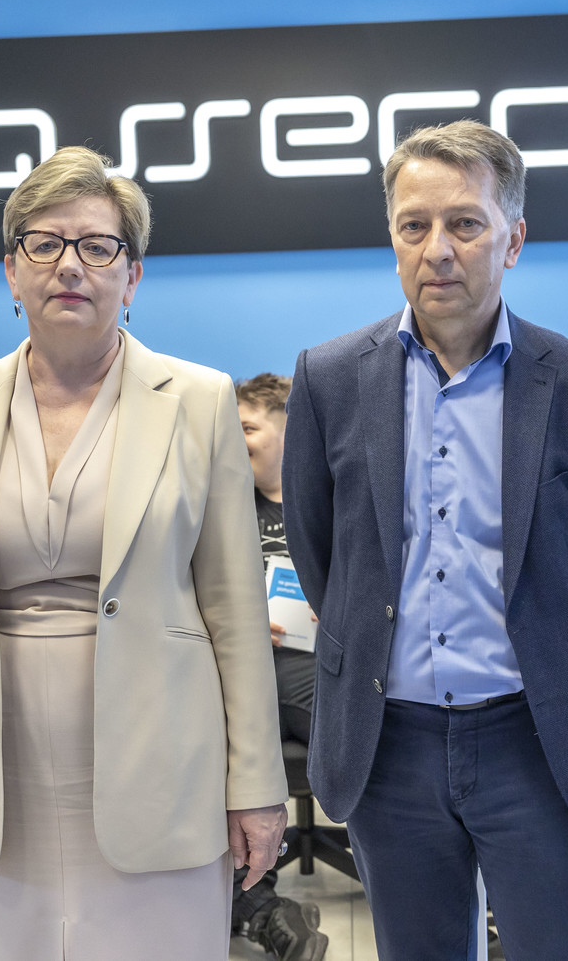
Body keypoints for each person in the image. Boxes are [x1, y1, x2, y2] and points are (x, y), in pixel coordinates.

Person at [0, 146, 288, 960]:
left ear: (132, 275)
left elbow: (233, 611)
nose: (69, 265)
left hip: (163, 761)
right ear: (12, 271)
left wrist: (255, 785)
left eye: (97, 246)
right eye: (44, 243)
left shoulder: (199, 401)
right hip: (0, 770)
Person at [282, 119, 568, 960]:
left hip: (537, 739)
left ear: (513, 239)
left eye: (465, 224)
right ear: (392, 238)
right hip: (390, 744)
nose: (438, 249)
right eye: (414, 226)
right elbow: (322, 556)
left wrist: (544, 651)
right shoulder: (329, 380)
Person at [232, 372, 327, 961]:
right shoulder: (224, 508)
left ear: (290, 431)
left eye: (247, 428)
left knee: (373, 717)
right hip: (251, 666)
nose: (234, 439)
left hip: (323, 661)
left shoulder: (331, 504)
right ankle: (262, 908)